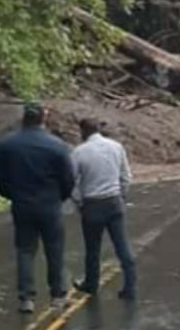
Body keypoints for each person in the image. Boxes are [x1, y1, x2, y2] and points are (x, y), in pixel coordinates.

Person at [0, 102, 74, 313]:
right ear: (43, 119)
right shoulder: (56, 145)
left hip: (22, 203)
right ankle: (57, 295)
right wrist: (60, 196)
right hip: (50, 204)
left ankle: (26, 297)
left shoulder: (7, 144)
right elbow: (68, 178)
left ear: (23, 118)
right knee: (54, 249)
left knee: (25, 250)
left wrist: (9, 193)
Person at [71, 118, 136, 300]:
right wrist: (121, 195)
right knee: (122, 245)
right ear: (98, 129)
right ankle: (130, 285)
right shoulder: (116, 147)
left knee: (93, 249)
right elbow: (126, 176)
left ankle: (91, 284)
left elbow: (72, 182)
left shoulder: (79, 152)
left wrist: (79, 202)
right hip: (114, 201)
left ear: (83, 131)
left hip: (92, 204)